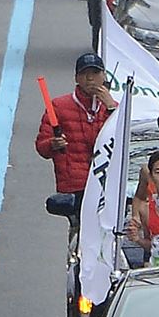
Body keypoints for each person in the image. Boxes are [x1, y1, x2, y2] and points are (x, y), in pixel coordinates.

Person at [35, 50, 118, 203]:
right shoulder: (58, 106)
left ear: (104, 76)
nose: (90, 78)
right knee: (79, 226)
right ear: (76, 78)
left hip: (107, 182)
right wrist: (53, 144)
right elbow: (42, 147)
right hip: (75, 185)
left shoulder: (114, 108)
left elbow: (124, 141)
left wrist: (111, 107)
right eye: (84, 73)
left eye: (95, 72)